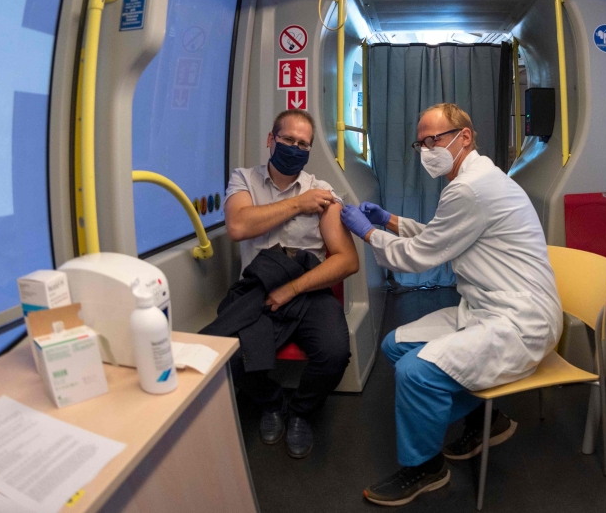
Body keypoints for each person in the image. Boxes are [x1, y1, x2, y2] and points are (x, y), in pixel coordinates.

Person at [340, 103, 562, 506]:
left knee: (415, 372)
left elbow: (420, 255)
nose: (427, 151)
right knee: (394, 345)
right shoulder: (475, 180)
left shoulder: (470, 188)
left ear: (465, 137)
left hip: (520, 322)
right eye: (421, 143)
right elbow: (441, 236)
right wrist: (388, 221)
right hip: (486, 308)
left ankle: (425, 468)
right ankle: (486, 421)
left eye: (433, 140)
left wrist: (368, 233)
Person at [222, 109, 358, 458]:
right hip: (257, 288)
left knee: (334, 353)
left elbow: (347, 260)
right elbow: (238, 226)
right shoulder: (244, 180)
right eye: (288, 140)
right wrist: (298, 204)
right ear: (271, 139)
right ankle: (271, 403)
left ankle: (301, 412)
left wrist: (294, 288)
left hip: (307, 288)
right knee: (230, 356)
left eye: (303, 144)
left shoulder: (322, 192)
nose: (295, 148)